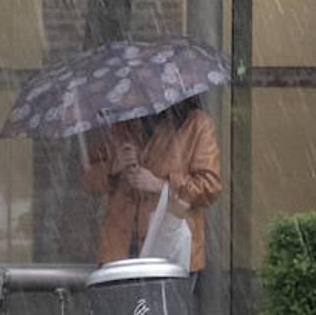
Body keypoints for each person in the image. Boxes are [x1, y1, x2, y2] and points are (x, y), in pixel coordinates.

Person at [78, 97, 222, 283]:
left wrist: (160, 185)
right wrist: (113, 166)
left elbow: (209, 186)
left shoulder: (197, 125)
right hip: (120, 248)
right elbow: (86, 182)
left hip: (169, 245)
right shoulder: (121, 124)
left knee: (165, 311)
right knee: (121, 311)